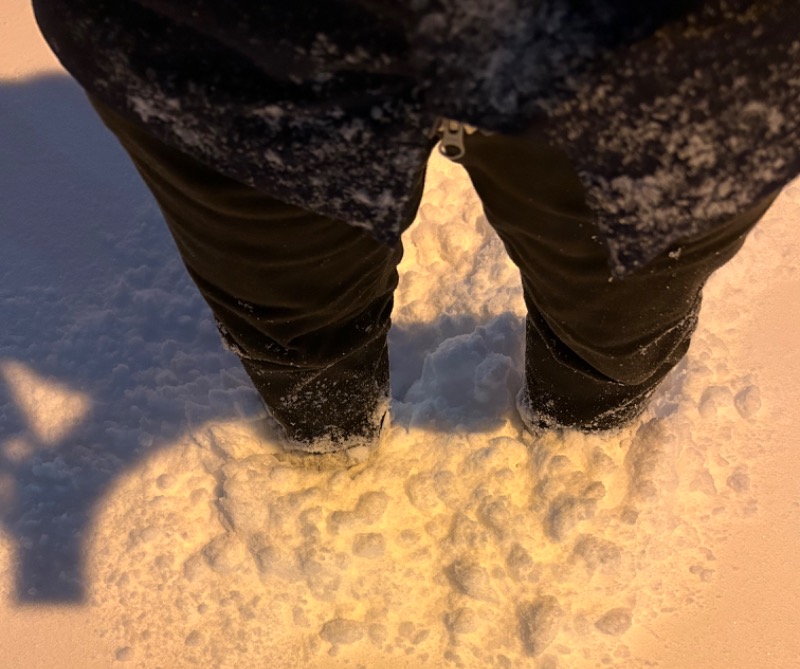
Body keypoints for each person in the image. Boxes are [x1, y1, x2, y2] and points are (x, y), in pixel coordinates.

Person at [32, 1, 800, 452]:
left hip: (682, 54)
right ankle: (332, 440)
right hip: (220, 39)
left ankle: (579, 433)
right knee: (292, 315)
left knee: (617, 308)